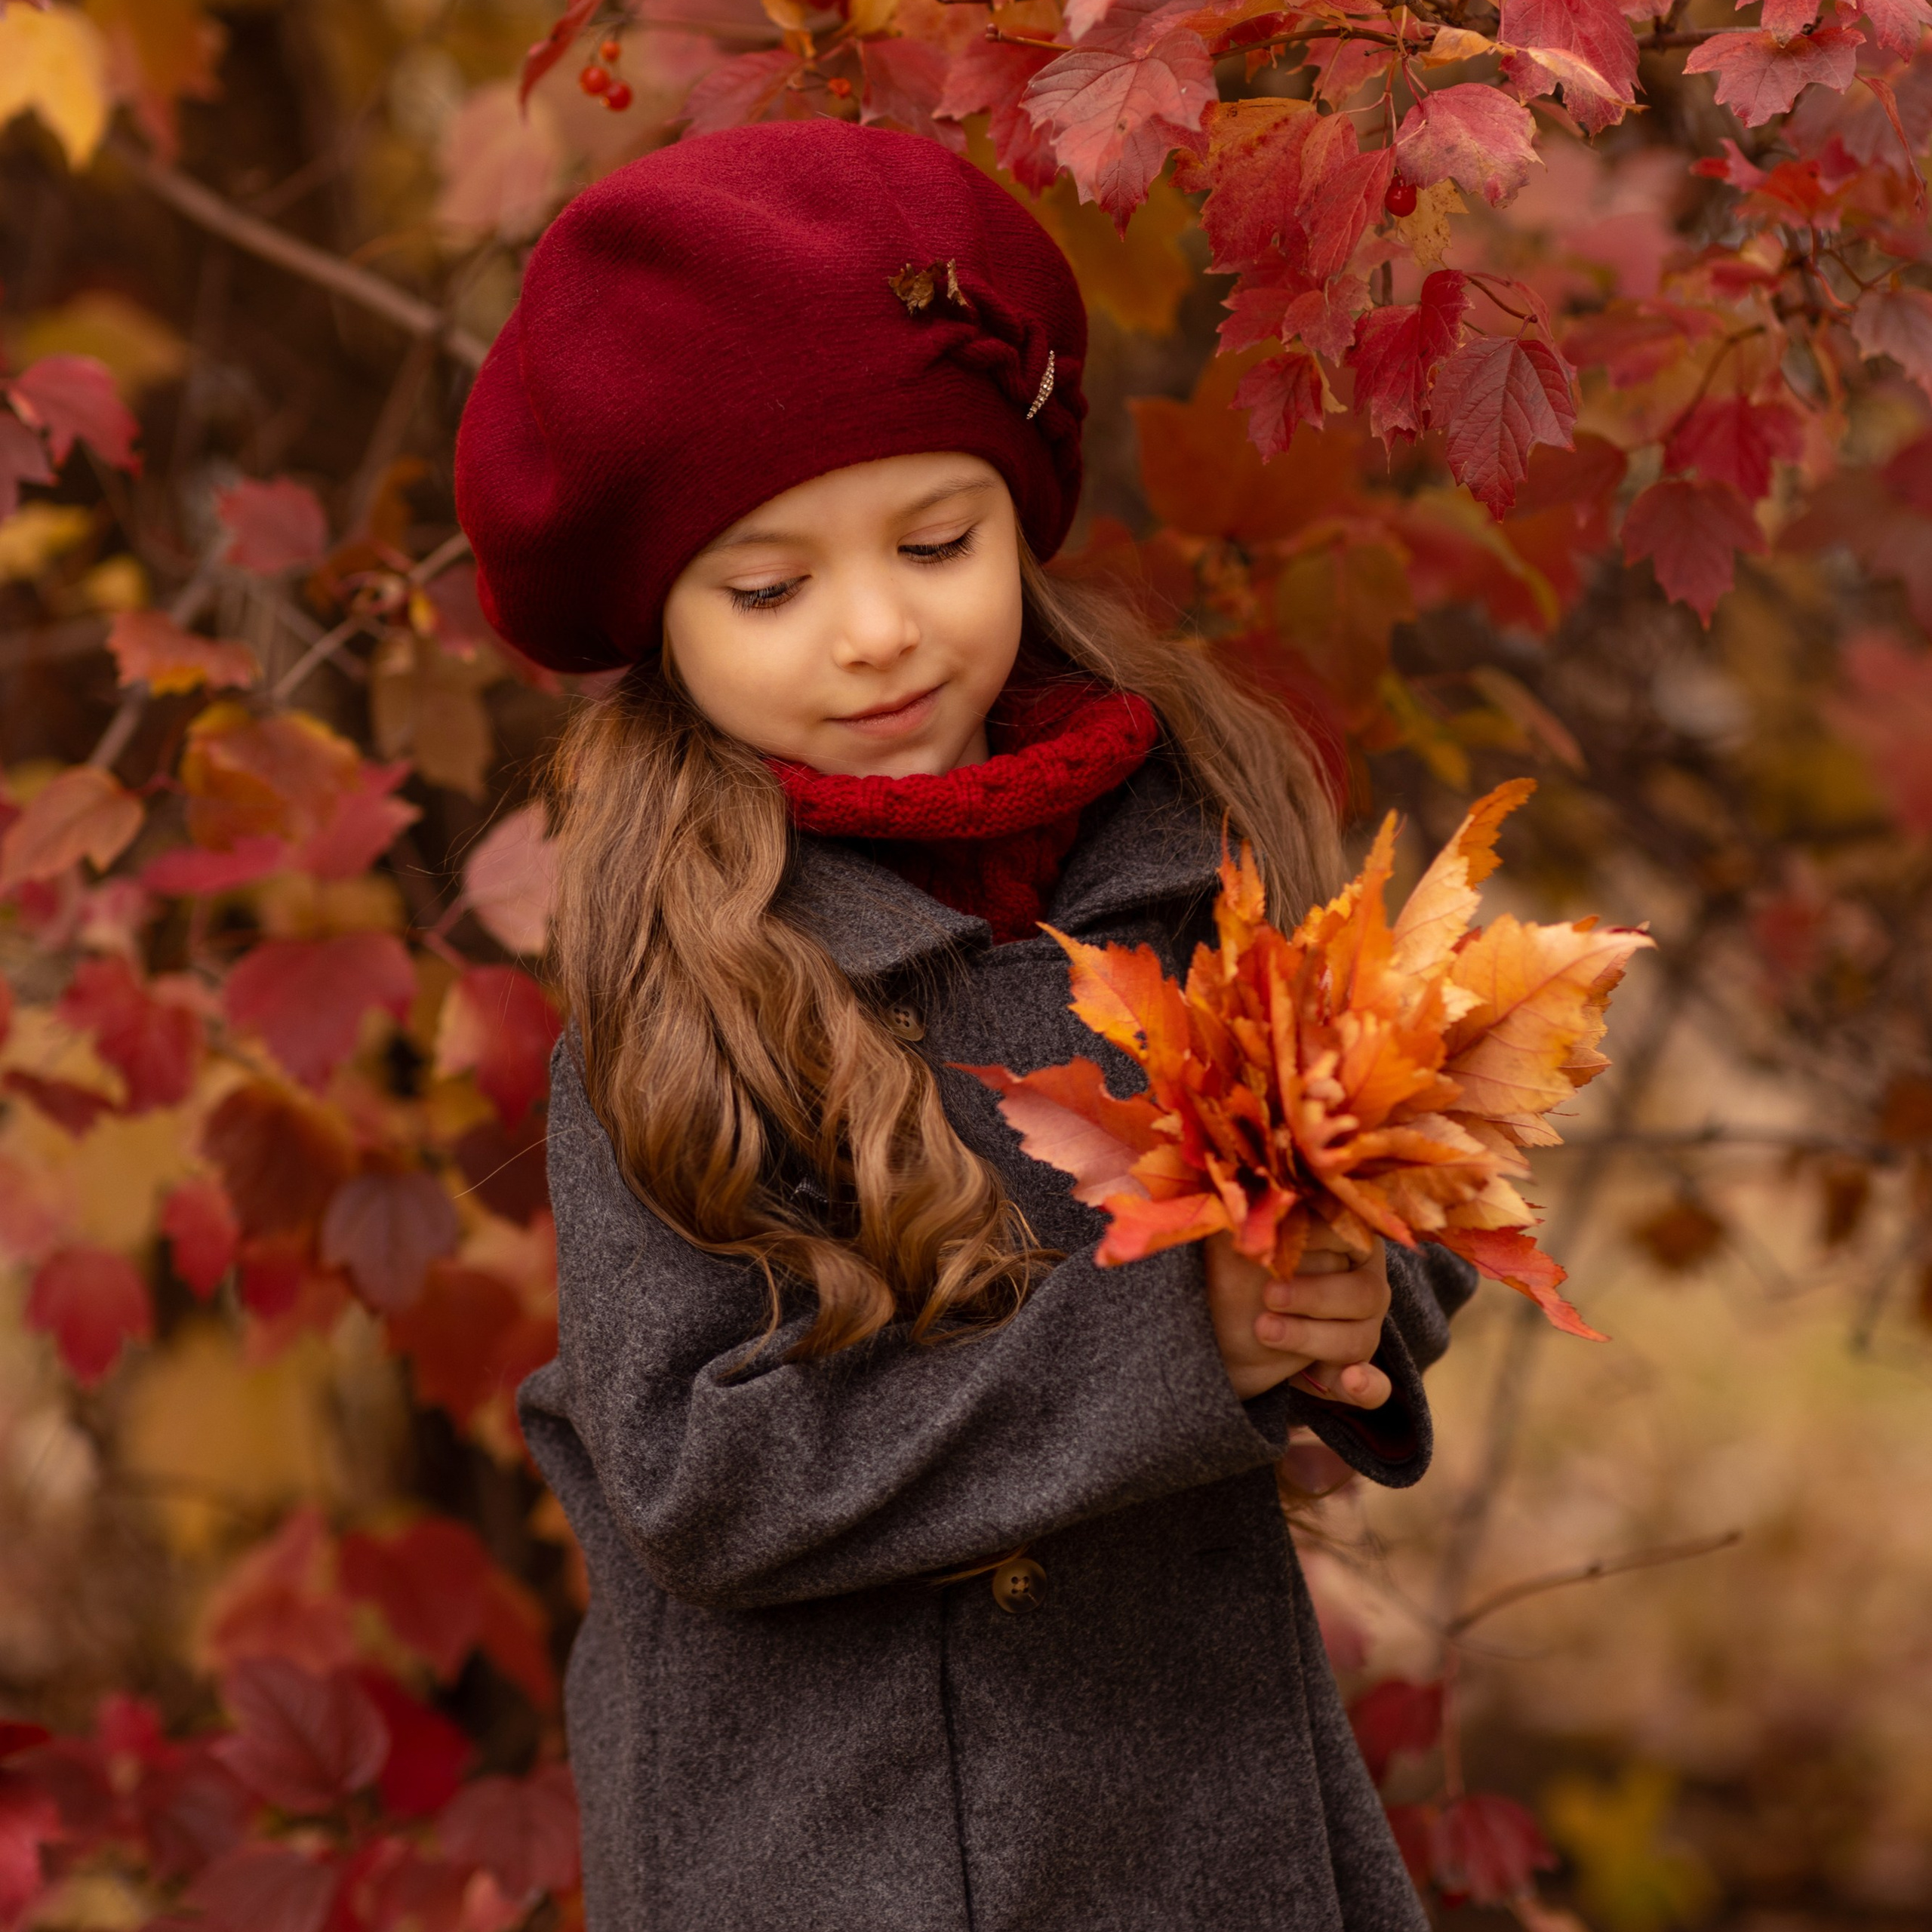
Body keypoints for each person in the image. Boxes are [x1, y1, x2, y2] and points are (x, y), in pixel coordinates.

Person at [456, 117, 1475, 1932]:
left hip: (1192, 1795)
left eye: (936, 540)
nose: (871, 632)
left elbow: (1387, 1193)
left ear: (1022, 516)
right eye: (767, 588)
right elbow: (700, 1466)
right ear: (663, 624)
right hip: (831, 1839)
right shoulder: (682, 993)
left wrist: (1344, 1296)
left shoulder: (1199, 850)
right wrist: (1175, 1338)